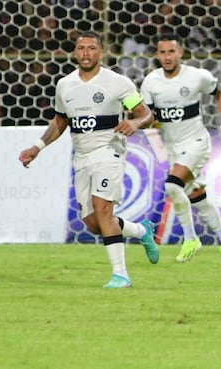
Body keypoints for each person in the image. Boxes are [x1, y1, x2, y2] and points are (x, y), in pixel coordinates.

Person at [18, 31, 159, 288]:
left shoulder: (116, 83)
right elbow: (61, 121)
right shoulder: (65, 85)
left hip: (109, 150)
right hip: (81, 156)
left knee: (103, 208)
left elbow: (145, 113)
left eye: (91, 48)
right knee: (95, 224)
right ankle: (140, 231)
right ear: (75, 52)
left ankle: (121, 275)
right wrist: (37, 147)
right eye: (81, 48)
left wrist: (135, 122)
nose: (86, 53)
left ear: (101, 53)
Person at [139, 33, 221, 266]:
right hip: (174, 147)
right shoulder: (151, 82)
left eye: (171, 52)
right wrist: (138, 121)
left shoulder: (197, 76)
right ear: (157, 55)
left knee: (173, 185)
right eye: (162, 52)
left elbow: (220, 94)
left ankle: (191, 238)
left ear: (180, 53)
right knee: (197, 195)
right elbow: (149, 117)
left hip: (196, 143)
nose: (167, 57)